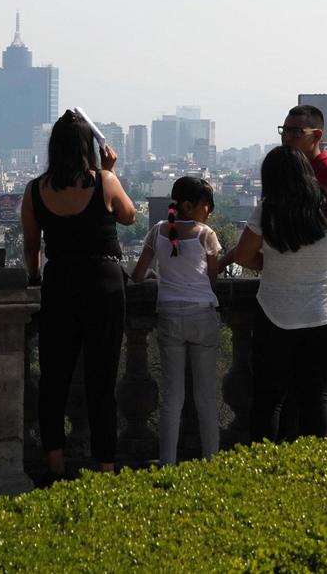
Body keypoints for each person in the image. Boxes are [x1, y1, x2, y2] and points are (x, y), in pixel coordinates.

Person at [22, 111, 136, 480]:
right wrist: (111, 171)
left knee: (54, 378)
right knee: (101, 379)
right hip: (103, 282)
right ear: (88, 147)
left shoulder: (36, 189)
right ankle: (105, 465)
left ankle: (55, 463)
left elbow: (30, 247)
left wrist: (37, 278)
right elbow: (130, 216)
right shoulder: (102, 182)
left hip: (60, 282)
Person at [235, 145, 327, 442]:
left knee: (269, 397)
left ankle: (264, 466)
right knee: (316, 397)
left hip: (276, 311)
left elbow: (243, 255)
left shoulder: (269, 210)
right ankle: (312, 466)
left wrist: (268, 266)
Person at [130, 176, 224, 465]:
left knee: (172, 397)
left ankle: (167, 462)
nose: (208, 210)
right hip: (202, 316)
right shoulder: (205, 234)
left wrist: (159, 277)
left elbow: (137, 274)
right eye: (205, 205)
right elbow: (211, 277)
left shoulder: (157, 231)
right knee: (206, 397)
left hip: (169, 314)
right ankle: (212, 461)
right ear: (188, 205)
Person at [280, 105, 327, 205]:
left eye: (296, 132)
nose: (287, 137)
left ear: (316, 136)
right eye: (285, 130)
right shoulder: (283, 169)